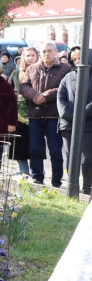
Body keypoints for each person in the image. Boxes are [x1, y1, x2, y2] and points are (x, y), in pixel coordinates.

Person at [20, 42, 73, 187]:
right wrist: (35, 96)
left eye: (49, 51)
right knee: (35, 149)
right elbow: (24, 86)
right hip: (35, 115)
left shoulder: (65, 69)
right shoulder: (31, 68)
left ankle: (56, 181)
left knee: (55, 151)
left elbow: (66, 87)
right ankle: (38, 177)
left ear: (56, 52)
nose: (46, 54)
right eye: (43, 51)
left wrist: (46, 96)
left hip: (53, 116)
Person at [58, 66, 92, 196]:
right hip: (68, 124)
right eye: (76, 58)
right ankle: (72, 186)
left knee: (87, 157)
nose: (78, 61)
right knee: (71, 156)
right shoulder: (68, 77)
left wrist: (81, 114)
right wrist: (69, 115)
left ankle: (87, 188)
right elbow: (60, 97)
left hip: (87, 124)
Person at [10, 46, 38, 178]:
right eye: (28, 55)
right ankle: (24, 172)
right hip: (19, 118)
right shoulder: (16, 74)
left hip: (36, 115)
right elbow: (7, 93)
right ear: (23, 58)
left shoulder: (41, 72)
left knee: (35, 146)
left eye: (33, 55)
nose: (30, 58)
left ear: (37, 57)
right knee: (19, 146)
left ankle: (37, 173)